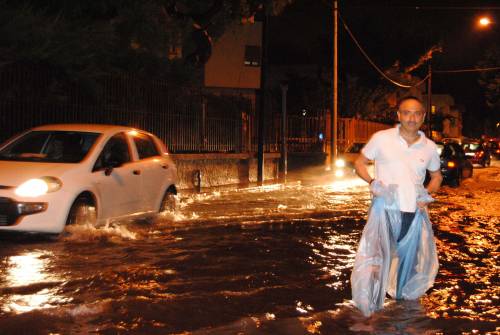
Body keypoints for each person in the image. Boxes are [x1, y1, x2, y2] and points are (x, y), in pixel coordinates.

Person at [350, 96, 443, 317]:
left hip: (413, 214)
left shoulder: (429, 147)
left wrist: (427, 193)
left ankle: (401, 311)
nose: (412, 118)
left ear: (423, 117)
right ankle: (369, 311)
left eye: (417, 113)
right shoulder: (381, 139)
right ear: (398, 115)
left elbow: (437, 176)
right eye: (407, 113)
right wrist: (372, 182)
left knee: (408, 265)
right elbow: (359, 163)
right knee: (375, 260)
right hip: (384, 210)